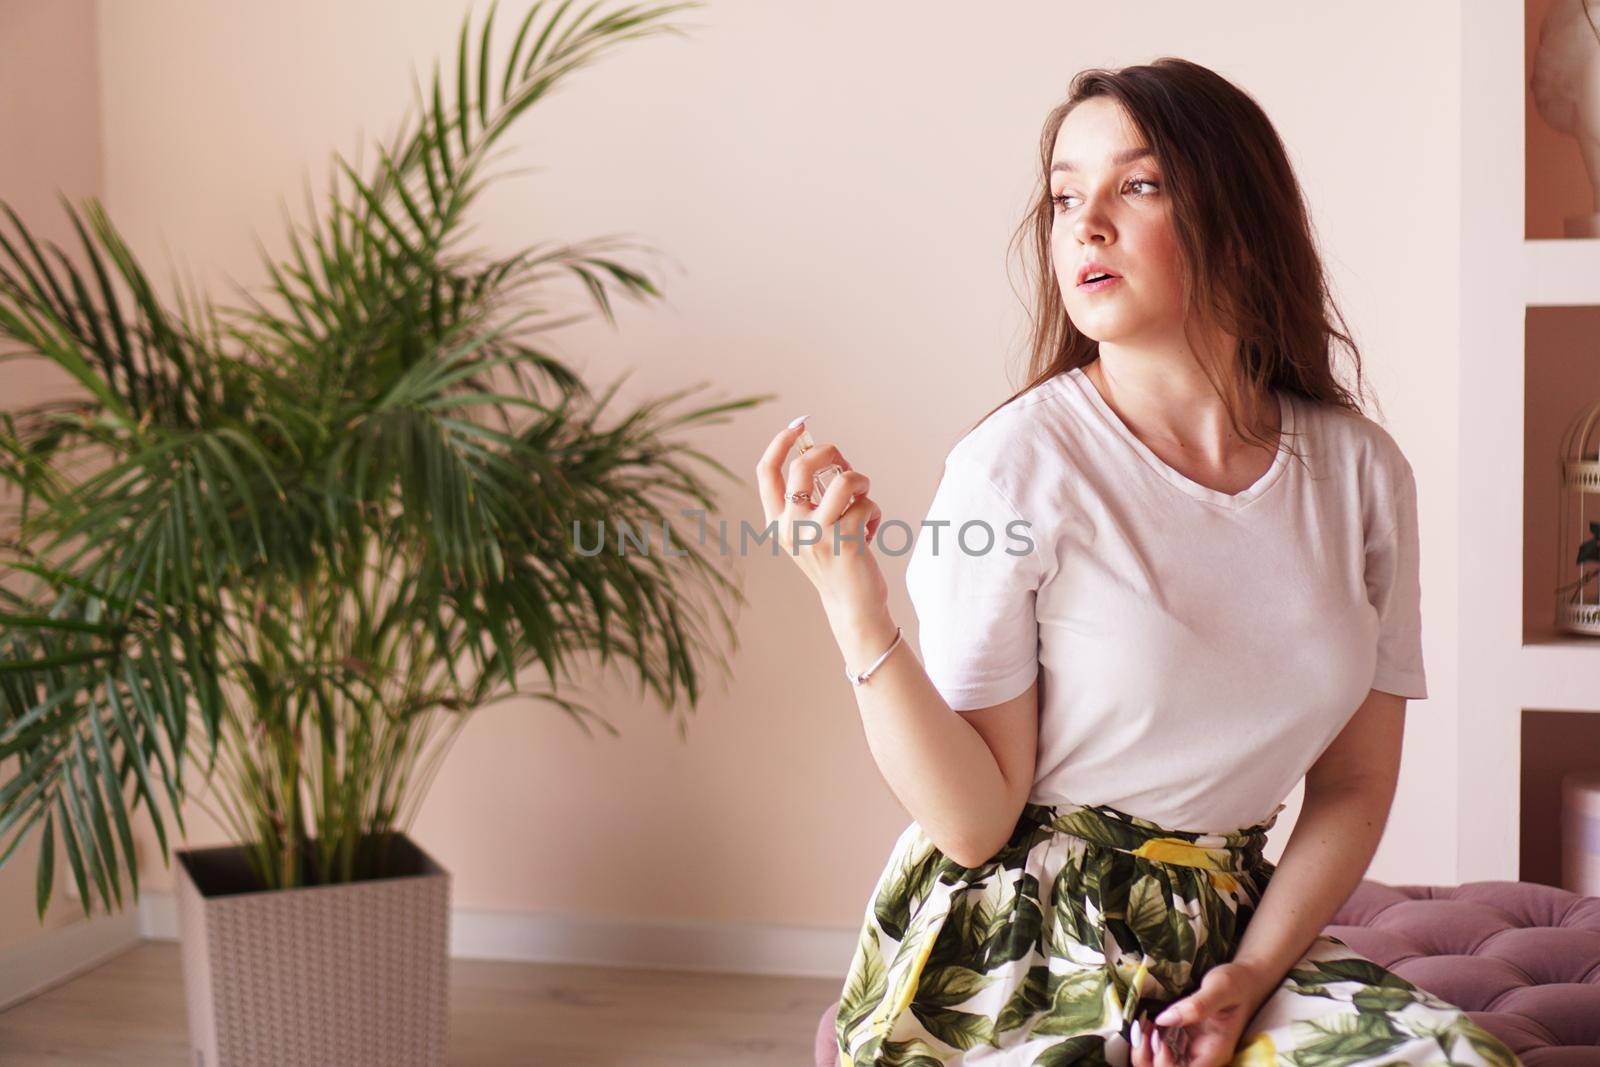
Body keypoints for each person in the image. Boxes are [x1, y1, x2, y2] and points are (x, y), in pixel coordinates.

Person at [755, 57, 1524, 1067]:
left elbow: (1350, 784)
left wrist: (1248, 977)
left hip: (1234, 933)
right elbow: (974, 817)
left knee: (1462, 1059)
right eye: (1065, 195)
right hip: (1017, 950)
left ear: (1238, 224)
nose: (1085, 222)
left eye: (1139, 185)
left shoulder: (1358, 472)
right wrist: (854, 605)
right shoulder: (1012, 469)